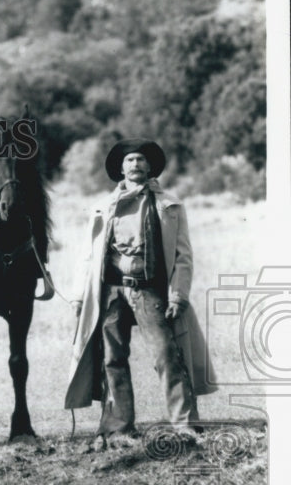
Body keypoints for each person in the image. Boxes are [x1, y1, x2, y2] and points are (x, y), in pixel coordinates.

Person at [65, 138, 215, 446]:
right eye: (130, 160)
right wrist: (80, 295)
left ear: (150, 167)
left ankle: (185, 424)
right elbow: (88, 255)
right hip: (110, 293)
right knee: (111, 359)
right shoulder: (103, 207)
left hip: (148, 290)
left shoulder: (167, 205)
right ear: (121, 168)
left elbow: (183, 256)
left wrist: (177, 295)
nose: (136, 164)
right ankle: (118, 428)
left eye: (141, 160)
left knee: (167, 356)